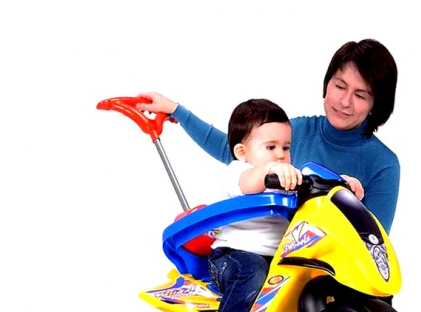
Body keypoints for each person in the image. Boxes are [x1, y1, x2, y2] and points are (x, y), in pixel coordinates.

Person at [136, 38, 399, 233]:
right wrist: (177, 111)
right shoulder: (296, 131)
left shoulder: (383, 164)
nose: (344, 101)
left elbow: (375, 243)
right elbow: (234, 149)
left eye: (360, 95)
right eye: (340, 86)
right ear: (327, 84)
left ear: (375, 104)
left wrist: (346, 196)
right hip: (275, 262)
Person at [197, 98, 303, 312]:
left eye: (286, 148)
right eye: (270, 147)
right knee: (254, 271)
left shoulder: (288, 176)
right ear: (242, 152)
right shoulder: (237, 172)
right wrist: (269, 171)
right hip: (231, 258)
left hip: (277, 260)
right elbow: (249, 182)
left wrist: (343, 182)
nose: (281, 155)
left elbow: (314, 180)